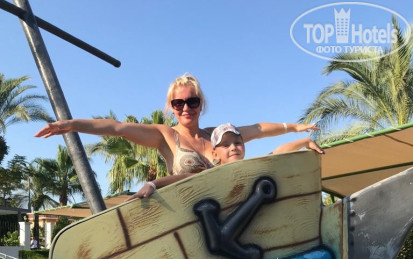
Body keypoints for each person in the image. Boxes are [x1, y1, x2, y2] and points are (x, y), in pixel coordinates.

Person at [35, 73, 319, 177]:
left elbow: (257, 129)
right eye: (178, 103)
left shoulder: (220, 136)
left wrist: (294, 128)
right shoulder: (165, 136)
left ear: (201, 104)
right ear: (171, 108)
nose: (186, 108)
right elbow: (116, 128)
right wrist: (72, 124)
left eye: (192, 101)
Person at [130, 123, 324, 199]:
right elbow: (183, 178)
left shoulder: (250, 168)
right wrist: (153, 184)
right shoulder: (213, 174)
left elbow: (277, 153)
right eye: (225, 145)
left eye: (237, 142)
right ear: (215, 154)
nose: (233, 147)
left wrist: (304, 141)